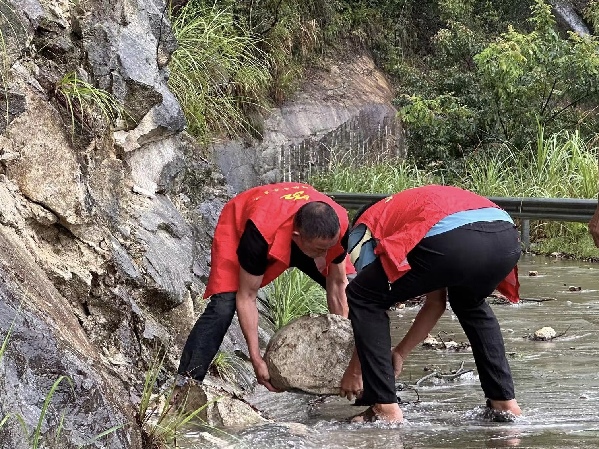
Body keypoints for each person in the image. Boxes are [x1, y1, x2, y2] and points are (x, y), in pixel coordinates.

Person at [339, 185, 522, 423]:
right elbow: (436, 303)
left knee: (362, 295)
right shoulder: (411, 209)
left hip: (453, 239)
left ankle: (384, 407)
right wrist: (400, 353)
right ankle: (504, 402)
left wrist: (355, 371)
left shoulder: (365, 225)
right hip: (505, 238)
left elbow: (369, 303)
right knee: (470, 303)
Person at [178, 182, 354, 391]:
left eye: (330, 248)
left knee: (356, 293)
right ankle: (186, 383)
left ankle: (372, 382)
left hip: (303, 230)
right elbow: (247, 296)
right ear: (297, 238)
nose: (326, 256)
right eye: (320, 250)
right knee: (223, 306)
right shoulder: (256, 236)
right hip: (246, 223)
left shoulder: (339, 223)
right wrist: (256, 358)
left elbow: (337, 283)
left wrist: (344, 348)